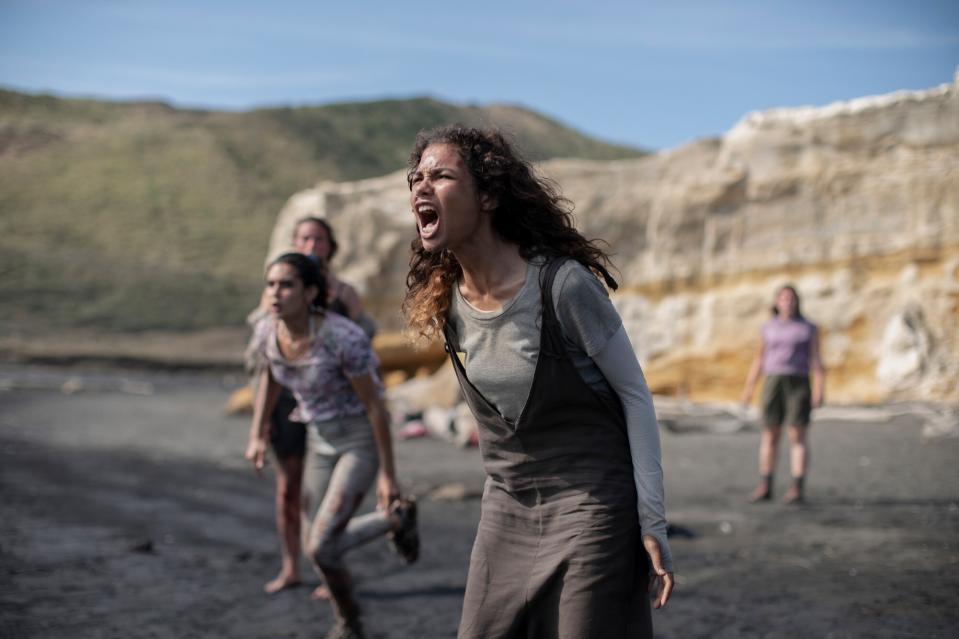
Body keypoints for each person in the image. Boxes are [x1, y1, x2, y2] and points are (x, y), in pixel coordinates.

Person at [403, 125, 673, 638]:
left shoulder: (563, 285)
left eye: (440, 175)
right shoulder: (445, 303)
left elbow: (636, 397)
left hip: (591, 501)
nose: (420, 186)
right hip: (507, 504)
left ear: (488, 195)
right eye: (416, 177)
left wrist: (651, 519)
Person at [245, 252, 418, 639]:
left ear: (310, 293)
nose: (275, 293)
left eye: (286, 285)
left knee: (322, 547)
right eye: (271, 284)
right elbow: (272, 376)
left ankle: (349, 622)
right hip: (320, 444)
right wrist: (257, 433)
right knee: (318, 544)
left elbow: (376, 407)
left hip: (359, 443)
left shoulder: (343, 338)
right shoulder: (266, 332)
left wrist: (388, 477)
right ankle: (396, 522)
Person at [245, 216, 374, 597]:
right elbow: (262, 358)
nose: (311, 245)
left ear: (330, 247)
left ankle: (327, 569)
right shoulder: (281, 290)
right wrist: (261, 418)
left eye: (319, 239)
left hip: (332, 401)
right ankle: (290, 567)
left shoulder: (344, 293)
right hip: (287, 399)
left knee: (324, 495)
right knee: (288, 490)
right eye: (304, 238)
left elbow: (364, 344)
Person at [741, 284, 825, 504]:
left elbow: (816, 360)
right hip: (772, 382)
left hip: (798, 382)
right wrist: (749, 387)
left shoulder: (808, 328)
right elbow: (759, 358)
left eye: (792, 298)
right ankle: (766, 485)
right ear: (777, 302)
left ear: (797, 302)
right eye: (784, 298)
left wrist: (819, 388)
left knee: (797, 435)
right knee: (770, 434)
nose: (788, 302)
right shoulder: (768, 328)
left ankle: (797, 487)